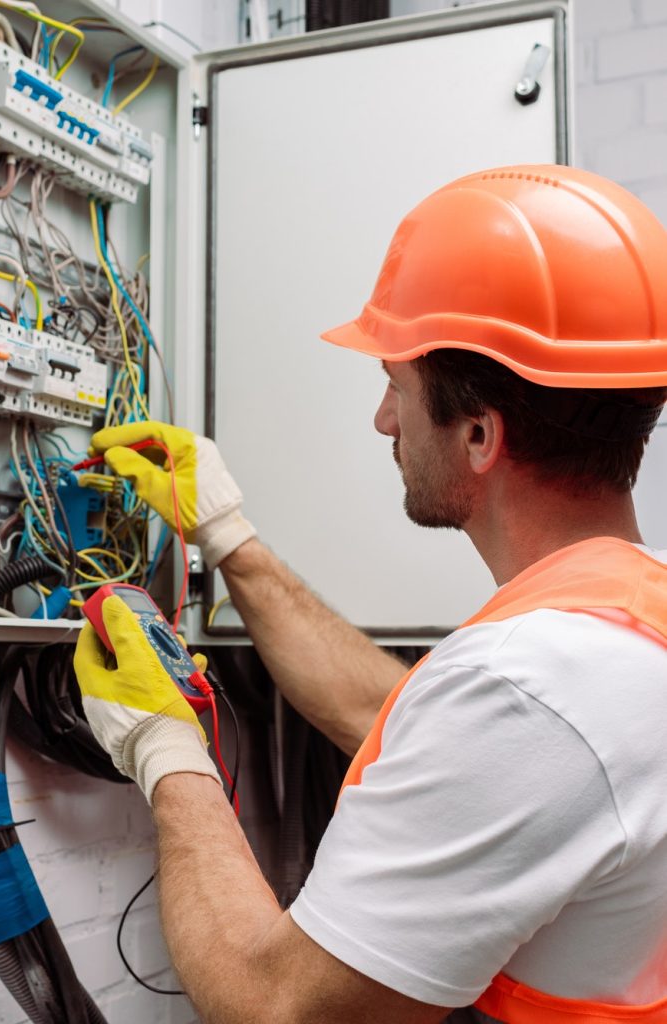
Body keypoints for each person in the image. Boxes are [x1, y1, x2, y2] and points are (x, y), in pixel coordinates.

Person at [74, 164, 667, 1024]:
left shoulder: (528, 688)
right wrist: (228, 534)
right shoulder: (625, 625)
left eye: (397, 384)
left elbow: (277, 1005)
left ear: (478, 433)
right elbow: (408, 726)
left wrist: (164, 750)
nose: (383, 419)